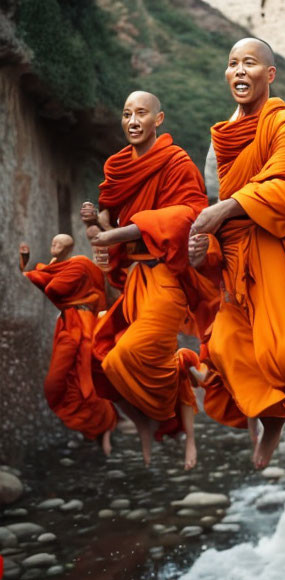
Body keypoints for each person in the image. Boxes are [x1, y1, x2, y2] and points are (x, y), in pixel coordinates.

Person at [188, 38, 285, 469]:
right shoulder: (221, 138)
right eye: (233, 64)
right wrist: (202, 247)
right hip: (234, 255)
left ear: (270, 74)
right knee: (225, 344)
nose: (240, 71)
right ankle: (272, 416)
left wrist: (225, 208)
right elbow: (212, 203)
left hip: (274, 241)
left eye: (250, 63)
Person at [83, 91, 217, 469]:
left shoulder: (176, 162)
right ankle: (148, 421)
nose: (133, 121)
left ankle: (182, 395)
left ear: (158, 119)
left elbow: (190, 214)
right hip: (136, 281)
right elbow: (110, 221)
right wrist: (96, 222)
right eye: (127, 114)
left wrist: (119, 234)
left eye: (141, 113)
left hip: (166, 277)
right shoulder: (118, 167)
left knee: (131, 354)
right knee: (104, 363)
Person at [20, 236, 117, 454]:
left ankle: (105, 426)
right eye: (53, 243)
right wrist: (24, 263)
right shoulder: (56, 266)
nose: (54, 246)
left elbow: (53, 288)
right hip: (67, 323)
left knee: (84, 378)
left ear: (69, 247)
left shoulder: (80, 264)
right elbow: (33, 279)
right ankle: (94, 428)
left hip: (82, 325)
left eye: (58, 244)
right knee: (65, 381)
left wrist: (36, 273)